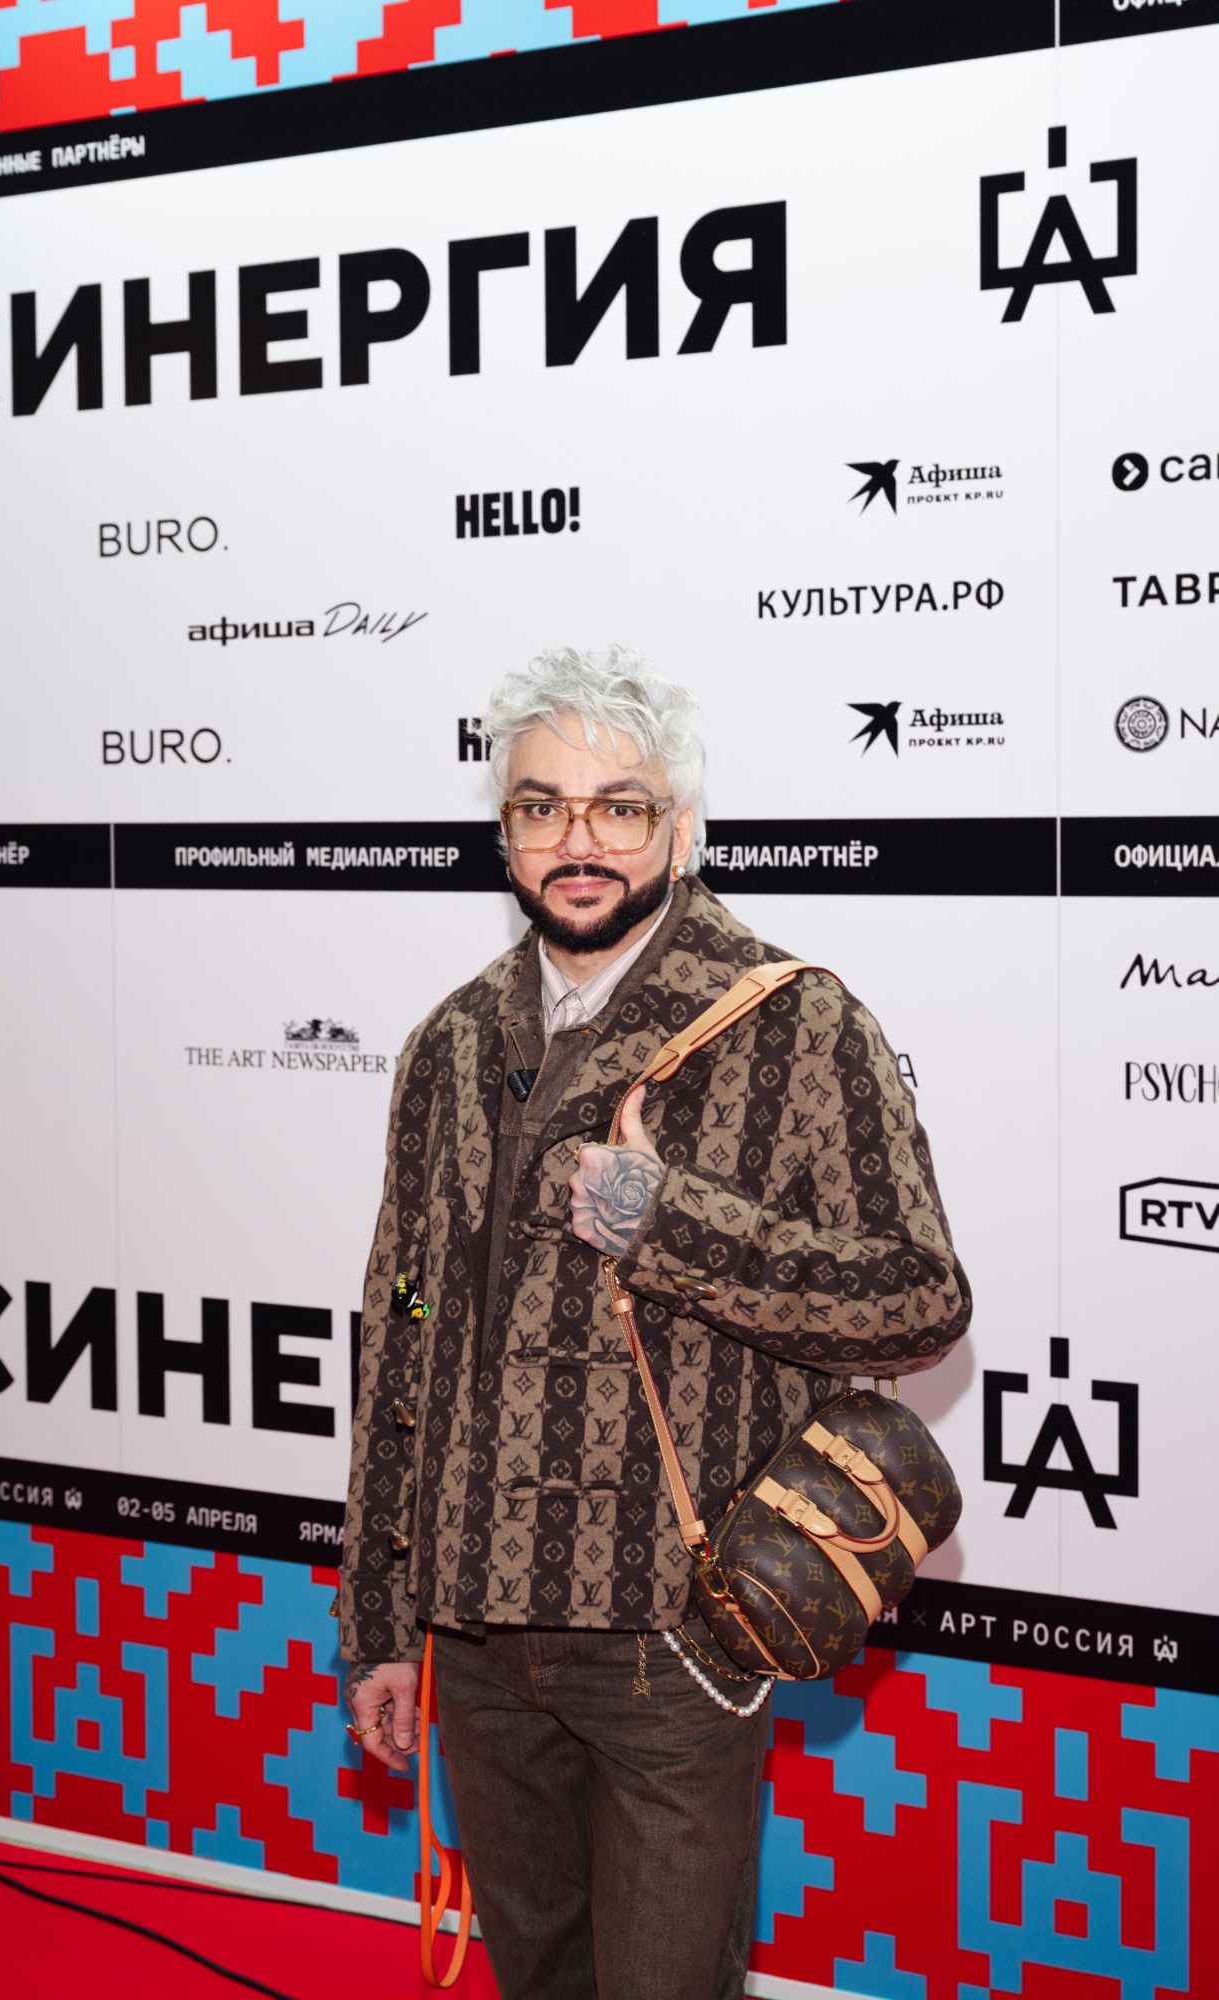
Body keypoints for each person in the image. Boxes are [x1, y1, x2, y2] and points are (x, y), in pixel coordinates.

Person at [337, 646, 971, 2000]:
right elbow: (401, 1328)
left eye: (617, 808)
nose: (578, 843)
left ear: (678, 828)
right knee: (538, 1981)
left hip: (670, 1641)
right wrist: (382, 1621)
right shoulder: (450, 1042)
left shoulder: (792, 1022)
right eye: (540, 807)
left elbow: (917, 1297)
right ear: (504, 832)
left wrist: (667, 1222)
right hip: (476, 1636)